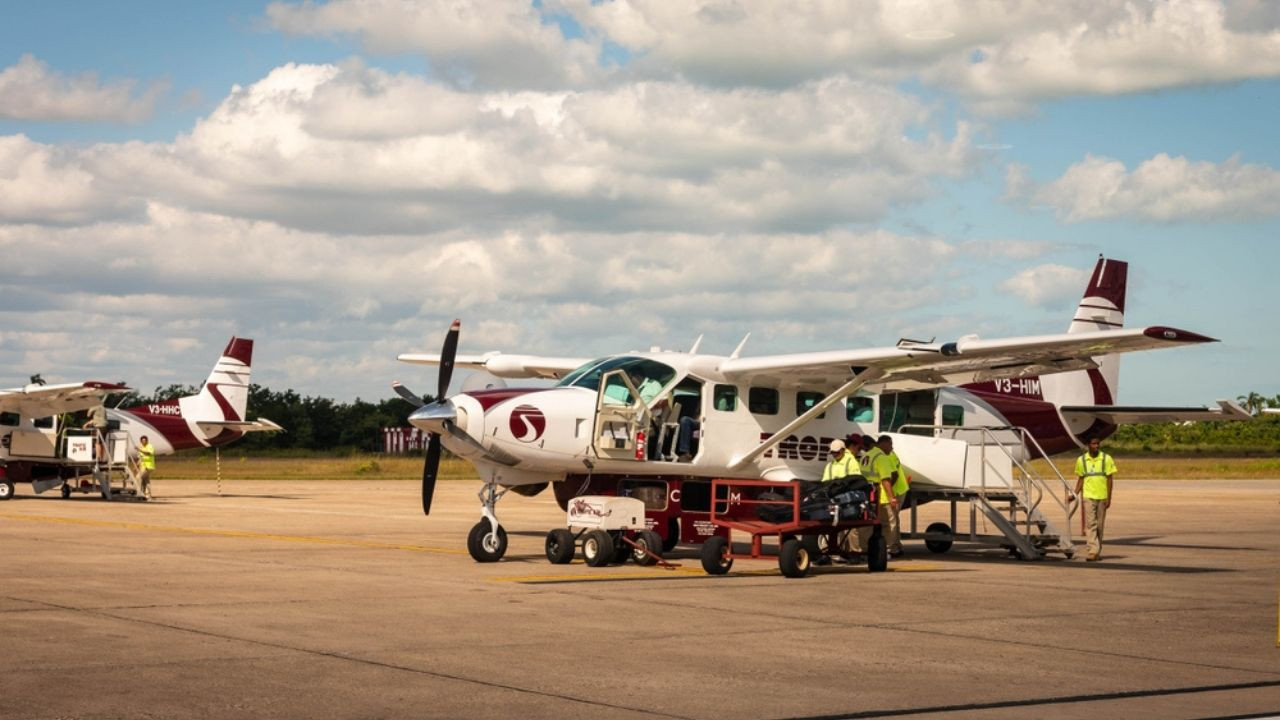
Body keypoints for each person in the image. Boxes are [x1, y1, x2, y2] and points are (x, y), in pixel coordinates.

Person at [1069, 437, 1117, 562]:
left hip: (1102, 496)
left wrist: (1109, 497)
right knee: (1091, 524)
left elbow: (1110, 479)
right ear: (1088, 445)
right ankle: (1092, 550)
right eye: (1093, 444)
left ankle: (1097, 550)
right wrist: (1074, 494)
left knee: (1100, 526)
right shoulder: (1081, 460)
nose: (1096, 446)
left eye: (1097, 443)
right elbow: (1081, 479)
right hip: (1088, 496)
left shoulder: (1106, 459)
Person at [856, 435, 899, 559]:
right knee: (888, 524)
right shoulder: (882, 458)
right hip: (880, 495)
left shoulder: (866, 455)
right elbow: (886, 480)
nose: (892, 447)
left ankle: (864, 550)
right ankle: (887, 550)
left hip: (866, 495)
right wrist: (892, 497)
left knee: (867, 524)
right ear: (884, 444)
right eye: (890, 444)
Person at [885, 440, 910, 556]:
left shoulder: (887, 455)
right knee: (894, 519)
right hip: (900, 488)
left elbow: (894, 475)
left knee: (891, 519)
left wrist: (889, 492)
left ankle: (893, 547)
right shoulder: (890, 454)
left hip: (897, 490)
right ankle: (897, 545)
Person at [136, 435, 156, 500]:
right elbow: (140, 458)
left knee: (138, 477)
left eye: (145, 440)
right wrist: (136, 466)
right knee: (146, 481)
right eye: (142, 441)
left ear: (147, 441)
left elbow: (149, 453)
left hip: (149, 466)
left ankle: (140, 494)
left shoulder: (150, 446)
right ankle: (147, 496)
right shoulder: (141, 447)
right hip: (143, 467)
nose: (143, 442)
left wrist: (140, 450)